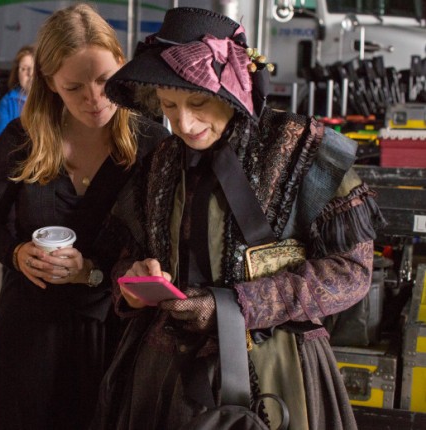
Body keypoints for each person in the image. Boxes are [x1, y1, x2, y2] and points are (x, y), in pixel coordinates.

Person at [91, 7, 385, 430]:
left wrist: (236, 308)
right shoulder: (159, 163)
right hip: (164, 376)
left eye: (197, 102)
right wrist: (133, 282)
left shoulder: (301, 150)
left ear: (235, 86)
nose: (183, 122)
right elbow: (125, 255)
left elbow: (351, 271)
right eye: (169, 105)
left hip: (276, 370)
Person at [0, 3, 170, 429]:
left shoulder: (152, 144)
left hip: (110, 332)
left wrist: (92, 273)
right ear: (49, 82)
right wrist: (16, 254)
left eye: (104, 80)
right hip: (28, 332)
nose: (94, 99)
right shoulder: (22, 139)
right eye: (74, 87)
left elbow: (161, 247)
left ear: (122, 65)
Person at [0, 45, 35, 141]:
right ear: (17, 73)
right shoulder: (7, 102)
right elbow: (0, 140)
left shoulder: (51, 100)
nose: (30, 74)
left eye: (35, 68)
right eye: (24, 69)